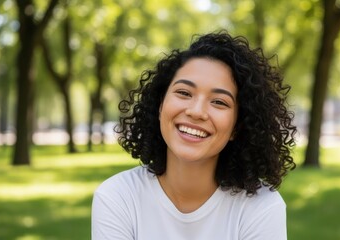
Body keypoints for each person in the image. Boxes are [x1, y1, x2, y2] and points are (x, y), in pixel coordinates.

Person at [92, 31, 296, 240]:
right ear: (161, 105)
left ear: (237, 126)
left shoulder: (261, 207)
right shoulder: (117, 197)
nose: (196, 111)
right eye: (184, 93)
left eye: (219, 102)